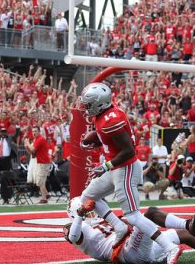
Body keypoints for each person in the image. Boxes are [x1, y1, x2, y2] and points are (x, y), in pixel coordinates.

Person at [78, 82, 182, 264]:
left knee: (133, 215)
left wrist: (106, 166)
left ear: (99, 103)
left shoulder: (111, 120)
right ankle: (119, 228)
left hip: (124, 168)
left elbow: (129, 151)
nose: (86, 108)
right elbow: (113, 141)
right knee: (88, 197)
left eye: (89, 104)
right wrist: (98, 141)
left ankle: (170, 247)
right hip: (116, 167)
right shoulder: (104, 114)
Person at [63, 197, 195, 263]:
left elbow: (125, 224)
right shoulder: (73, 226)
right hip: (125, 253)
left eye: (90, 209)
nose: (91, 212)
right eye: (88, 210)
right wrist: (80, 214)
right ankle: (186, 225)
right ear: (74, 213)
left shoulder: (99, 220)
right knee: (150, 214)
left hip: (133, 246)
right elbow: (73, 235)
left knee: (182, 236)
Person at [24, 126, 51, 204]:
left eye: (35, 131)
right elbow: (32, 153)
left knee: (40, 181)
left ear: (39, 132)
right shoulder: (36, 139)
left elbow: (32, 149)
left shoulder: (40, 139)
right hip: (40, 161)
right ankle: (46, 194)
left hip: (43, 162)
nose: (34, 133)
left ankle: (44, 198)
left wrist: (28, 143)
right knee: (39, 180)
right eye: (33, 131)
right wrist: (26, 147)